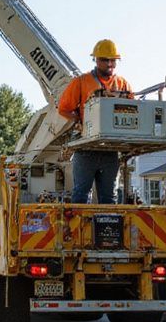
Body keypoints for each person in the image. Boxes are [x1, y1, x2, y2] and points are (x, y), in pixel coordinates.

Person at [57, 39, 134, 203]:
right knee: (81, 196)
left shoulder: (123, 84)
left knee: (110, 198)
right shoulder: (81, 82)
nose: (110, 64)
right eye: (106, 60)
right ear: (96, 60)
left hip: (111, 150)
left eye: (113, 60)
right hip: (86, 149)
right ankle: (81, 229)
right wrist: (78, 121)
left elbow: (133, 112)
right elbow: (63, 108)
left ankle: (109, 228)